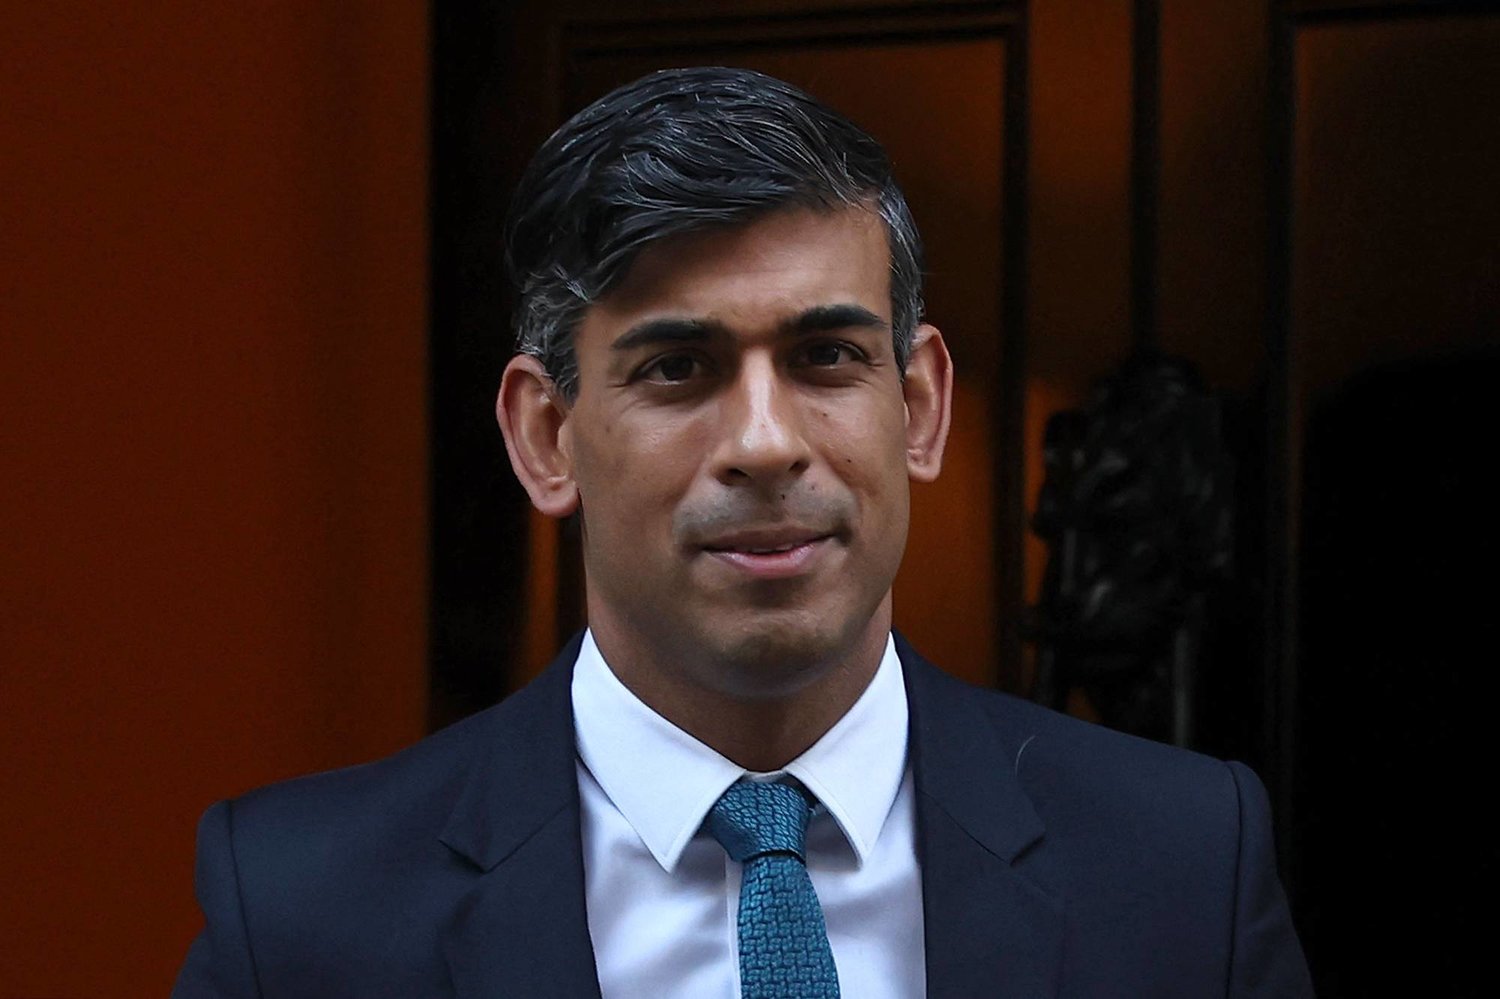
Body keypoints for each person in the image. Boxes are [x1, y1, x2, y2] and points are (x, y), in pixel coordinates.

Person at [172, 66, 1312, 998]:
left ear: (919, 407)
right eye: (679, 367)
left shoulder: (1181, 866)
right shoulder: (303, 912)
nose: (765, 443)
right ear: (547, 437)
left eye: (826, 357)